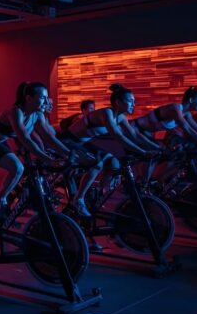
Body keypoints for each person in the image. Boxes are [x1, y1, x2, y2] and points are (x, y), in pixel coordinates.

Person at [0, 82, 70, 254]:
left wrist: (70, 154)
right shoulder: (15, 112)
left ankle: (0, 201)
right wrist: (47, 159)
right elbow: (24, 138)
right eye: (42, 98)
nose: (46, 101)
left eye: (46, 98)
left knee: (18, 168)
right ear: (29, 98)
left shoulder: (37, 115)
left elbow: (48, 137)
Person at [60, 84, 159, 217]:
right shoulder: (107, 113)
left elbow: (135, 135)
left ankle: (99, 193)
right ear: (118, 102)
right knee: (97, 164)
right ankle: (78, 199)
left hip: (84, 143)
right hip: (69, 141)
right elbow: (118, 136)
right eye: (130, 101)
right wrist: (143, 152)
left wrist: (157, 147)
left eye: (134, 101)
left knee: (114, 163)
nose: (134, 104)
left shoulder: (121, 117)